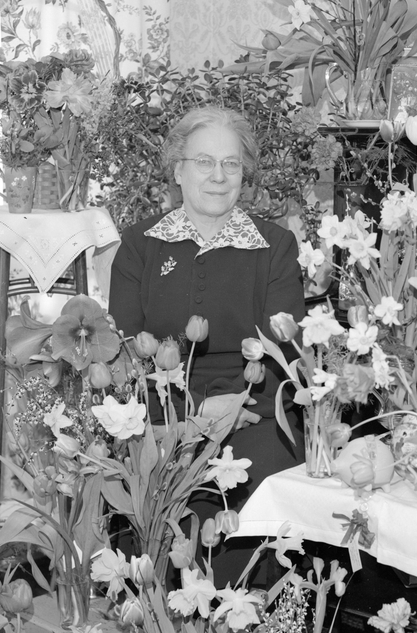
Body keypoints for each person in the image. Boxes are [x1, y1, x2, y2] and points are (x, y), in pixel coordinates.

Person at [108, 105, 305, 583]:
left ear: (244, 174)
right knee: (150, 486)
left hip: (253, 410)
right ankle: (160, 620)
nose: (218, 176)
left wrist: (235, 407)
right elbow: (127, 352)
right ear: (178, 170)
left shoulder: (275, 247)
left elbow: (286, 355)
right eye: (204, 162)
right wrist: (189, 416)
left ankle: (251, 621)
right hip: (163, 412)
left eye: (231, 163)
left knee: (256, 481)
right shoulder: (139, 246)